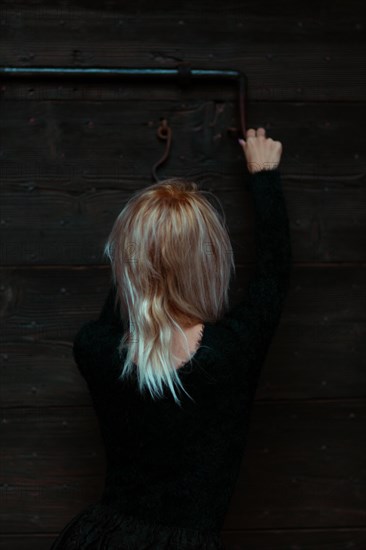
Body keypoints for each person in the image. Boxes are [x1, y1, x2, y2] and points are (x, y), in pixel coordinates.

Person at [49, 127, 292, 549]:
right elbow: (274, 275)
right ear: (209, 261)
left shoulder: (96, 350)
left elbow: (125, 294)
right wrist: (264, 173)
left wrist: (145, 243)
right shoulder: (230, 353)